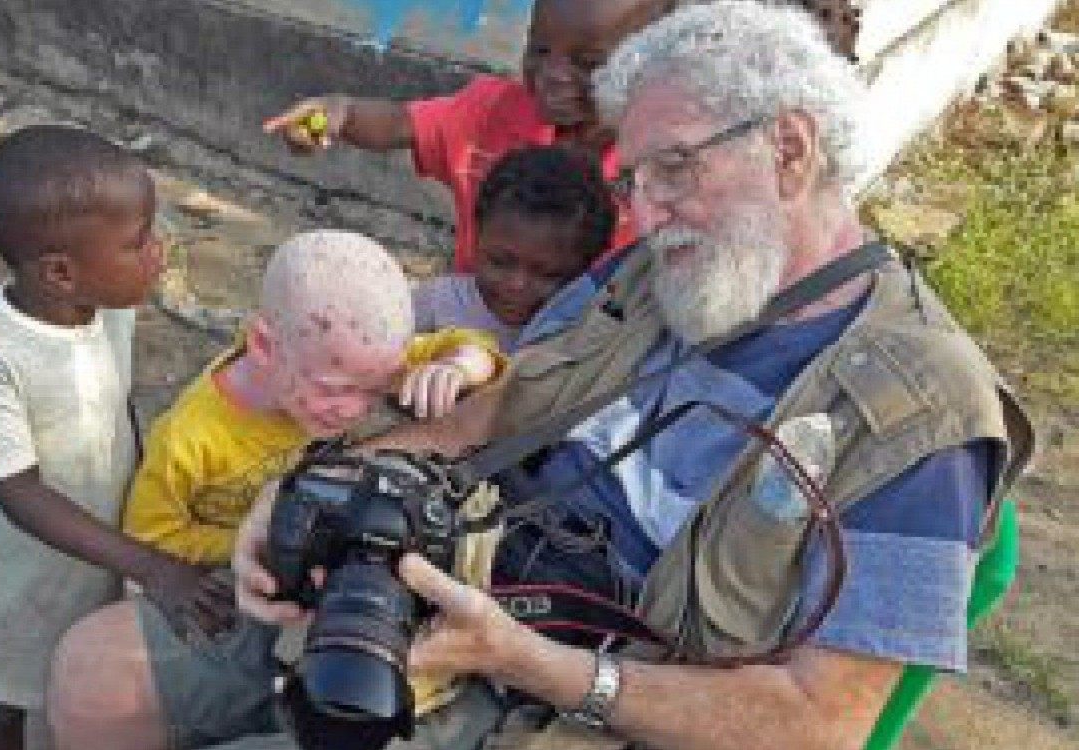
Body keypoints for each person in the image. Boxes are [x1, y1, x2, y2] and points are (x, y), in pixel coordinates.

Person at [231, 3, 1035, 749]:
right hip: (456, 581)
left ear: (789, 149)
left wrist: (531, 663)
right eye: (635, 179)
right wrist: (321, 479)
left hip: (590, 703)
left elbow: (820, 723)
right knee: (125, 670)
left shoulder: (927, 410)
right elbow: (486, 418)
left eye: (675, 170)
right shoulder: (661, 269)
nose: (646, 215)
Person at [48, 230, 503, 750]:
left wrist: (458, 366)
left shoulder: (345, 357)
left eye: (374, 391)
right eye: (336, 392)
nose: (355, 410)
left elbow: (480, 349)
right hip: (236, 581)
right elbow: (151, 535)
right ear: (264, 345)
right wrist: (276, 537)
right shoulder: (190, 439)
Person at [0, 125, 213, 750]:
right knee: (4, 693)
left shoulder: (107, 305)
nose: (158, 252)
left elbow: (117, 412)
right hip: (15, 571)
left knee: (84, 674)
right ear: (62, 273)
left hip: (103, 545)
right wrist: (153, 566)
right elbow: (16, 491)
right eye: (138, 243)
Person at [264, 0, 677, 272]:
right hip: (474, 327)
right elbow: (402, 124)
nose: (553, 76)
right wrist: (340, 112)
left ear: (651, 61)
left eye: (587, 63)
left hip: (581, 362)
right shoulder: (492, 112)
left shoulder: (664, 162)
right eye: (539, 50)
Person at [412, 144, 617, 352]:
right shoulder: (437, 305)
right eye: (499, 262)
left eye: (547, 274)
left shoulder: (580, 337)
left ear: (583, 271)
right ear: (476, 237)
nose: (516, 284)